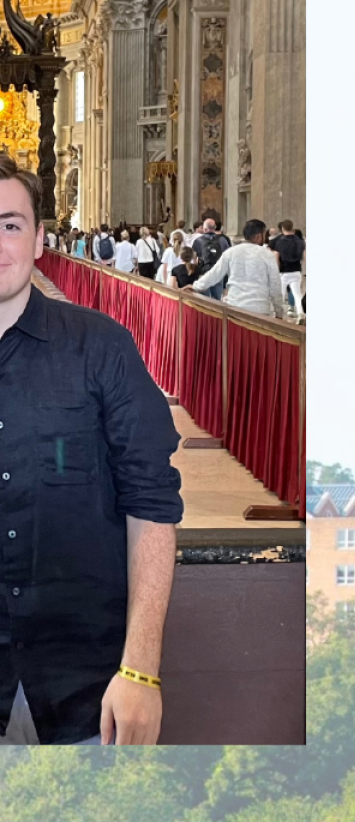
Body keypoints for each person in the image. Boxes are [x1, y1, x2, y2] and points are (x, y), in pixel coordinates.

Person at [0, 154, 181, 746]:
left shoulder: (102, 349)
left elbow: (150, 504)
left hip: (87, 687)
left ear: (40, 239)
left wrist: (141, 669)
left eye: (10, 224)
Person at [184, 218, 286, 319]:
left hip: (235, 307)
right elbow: (275, 285)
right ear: (259, 236)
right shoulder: (267, 255)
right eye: (264, 234)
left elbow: (214, 274)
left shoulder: (231, 252)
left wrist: (196, 286)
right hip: (259, 310)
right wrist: (279, 312)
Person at [269, 220, 305, 322]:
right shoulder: (300, 241)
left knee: (280, 294)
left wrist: (277, 270)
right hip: (296, 271)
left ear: (283, 229)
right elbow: (304, 257)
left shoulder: (280, 241)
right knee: (297, 294)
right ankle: (300, 313)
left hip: (284, 271)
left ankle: (278, 315)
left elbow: (276, 257)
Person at [192, 213, 231, 301]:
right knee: (217, 299)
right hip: (218, 272)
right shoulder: (222, 240)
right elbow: (228, 257)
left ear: (205, 229)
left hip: (204, 272)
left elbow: (194, 259)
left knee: (203, 299)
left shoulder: (198, 241)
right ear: (215, 227)